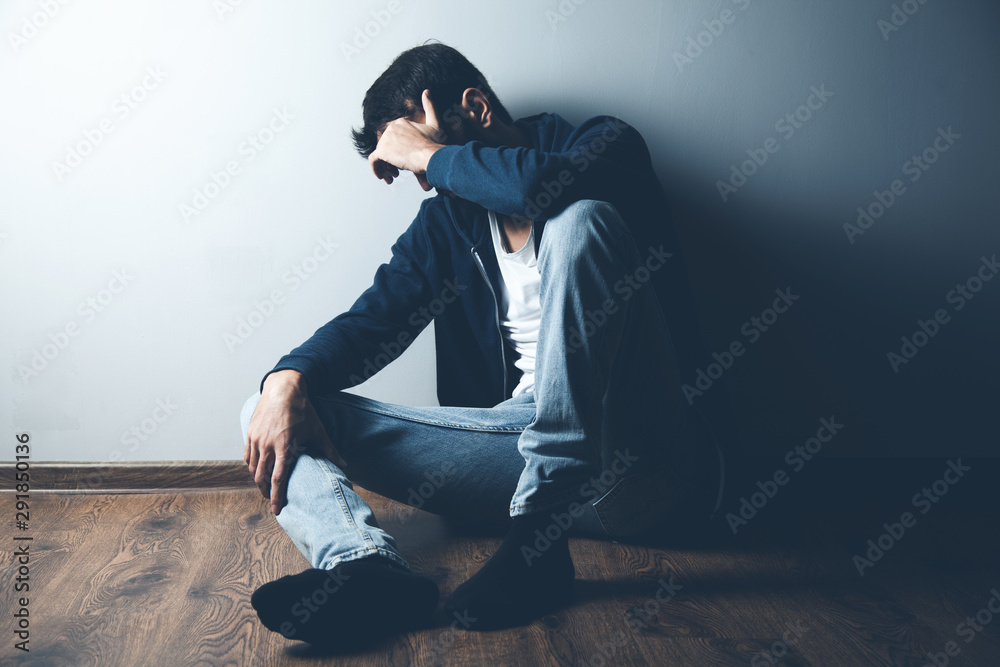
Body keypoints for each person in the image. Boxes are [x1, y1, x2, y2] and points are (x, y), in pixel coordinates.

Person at [240, 42, 724, 650]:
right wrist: (286, 378)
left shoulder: (605, 145)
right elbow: (372, 323)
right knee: (275, 405)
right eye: (418, 168)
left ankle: (540, 537)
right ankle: (366, 570)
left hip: (645, 462)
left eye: (420, 160)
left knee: (581, 220)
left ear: (475, 107)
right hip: (516, 466)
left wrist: (432, 154)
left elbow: (548, 187)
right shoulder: (449, 223)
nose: (426, 182)